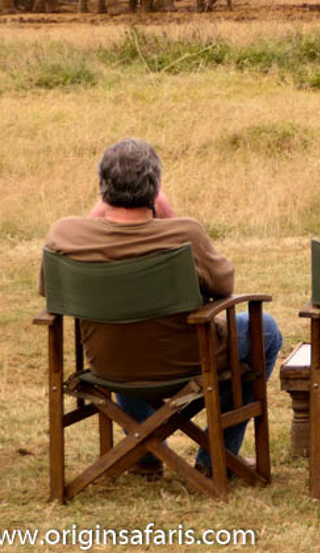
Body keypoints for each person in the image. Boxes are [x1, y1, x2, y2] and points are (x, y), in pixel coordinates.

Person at [44, 138, 283, 478]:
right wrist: (169, 216)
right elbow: (223, 286)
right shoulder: (184, 233)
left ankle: (142, 449)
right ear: (155, 187)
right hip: (185, 360)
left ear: (102, 187)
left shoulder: (64, 234)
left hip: (110, 362)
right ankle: (216, 460)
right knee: (266, 330)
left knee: (130, 335)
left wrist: (101, 212)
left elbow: (51, 291)